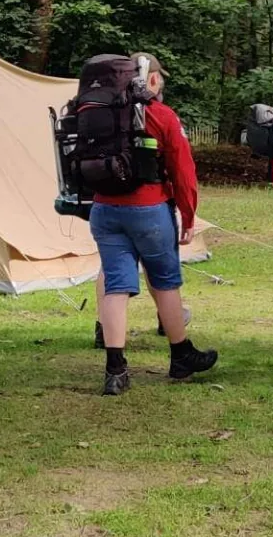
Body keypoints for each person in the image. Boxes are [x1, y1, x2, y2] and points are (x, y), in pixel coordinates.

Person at [86, 53, 218, 396]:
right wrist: (188, 216)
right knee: (165, 280)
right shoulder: (161, 115)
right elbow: (184, 174)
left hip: (104, 210)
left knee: (116, 284)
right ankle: (180, 354)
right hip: (148, 209)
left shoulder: (95, 114)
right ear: (152, 79)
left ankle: (115, 370)